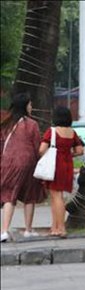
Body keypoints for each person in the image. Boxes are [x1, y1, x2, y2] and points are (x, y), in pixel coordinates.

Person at [0, 92, 46, 242]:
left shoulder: (6, 123)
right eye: (30, 104)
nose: (31, 107)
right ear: (25, 106)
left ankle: (4, 231)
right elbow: (37, 147)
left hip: (7, 162)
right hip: (27, 162)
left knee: (8, 196)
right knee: (29, 195)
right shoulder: (31, 124)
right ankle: (28, 229)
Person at [39, 106, 84, 238]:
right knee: (57, 197)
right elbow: (80, 150)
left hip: (55, 166)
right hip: (67, 166)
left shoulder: (51, 131)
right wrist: (68, 153)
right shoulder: (72, 132)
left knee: (57, 197)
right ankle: (55, 227)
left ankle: (61, 228)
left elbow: (42, 149)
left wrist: (48, 155)